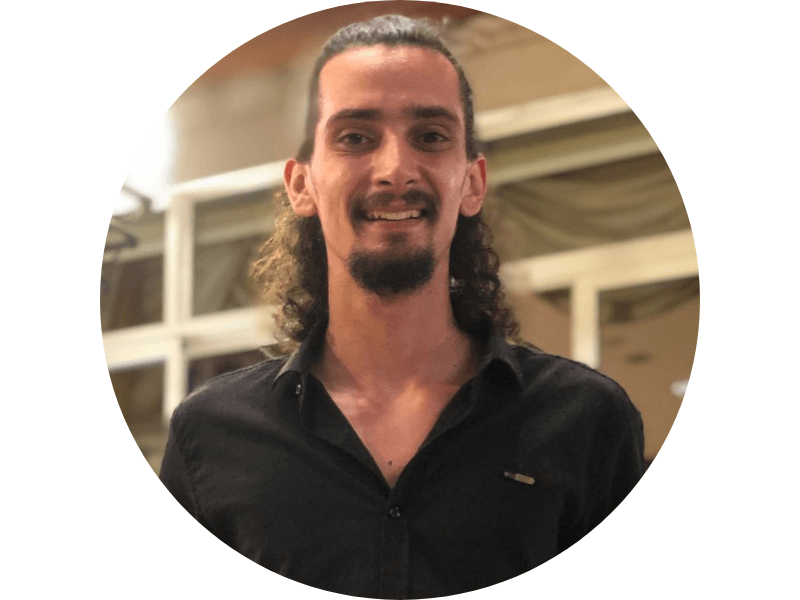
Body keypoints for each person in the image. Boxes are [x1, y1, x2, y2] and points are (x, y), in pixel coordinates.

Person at [160, 15, 645, 599]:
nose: (395, 170)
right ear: (302, 185)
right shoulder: (209, 436)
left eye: (431, 136)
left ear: (472, 183)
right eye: (355, 137)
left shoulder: (588, 422)